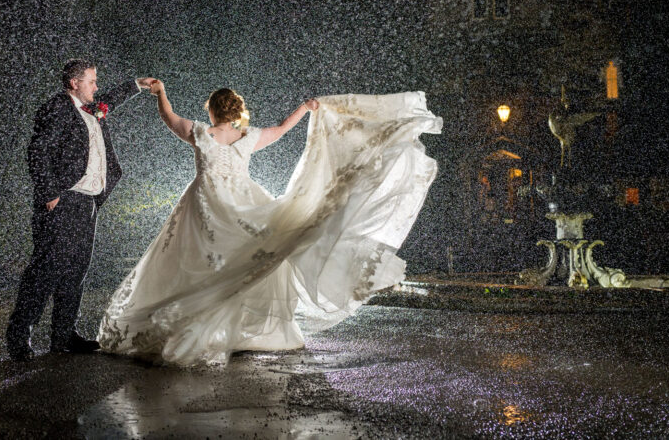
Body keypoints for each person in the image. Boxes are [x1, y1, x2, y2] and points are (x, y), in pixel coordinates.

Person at [98, 82, 442, 366]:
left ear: (213, 111)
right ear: (237, 111)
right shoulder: (250, 137)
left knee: (199, 264)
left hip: (204, 203)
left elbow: (169, 118)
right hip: (243, 201)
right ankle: (228, 327)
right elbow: (281, 128)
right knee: (246, 260)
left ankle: (203, 324)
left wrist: (161, 93)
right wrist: (305, 108)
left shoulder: (201, 133)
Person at [6, 58, 156, 362]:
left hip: (87, 202)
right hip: (64, 200)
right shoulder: (58, 107)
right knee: (45, 270)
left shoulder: (92, 108)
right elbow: (38, 150)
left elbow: (109, 98)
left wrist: (138, 85)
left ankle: (63, 336)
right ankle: (19, 335)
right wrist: (49, 192)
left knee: (75, 271)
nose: (96, 86)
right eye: (91, 80)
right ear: (74, 83)